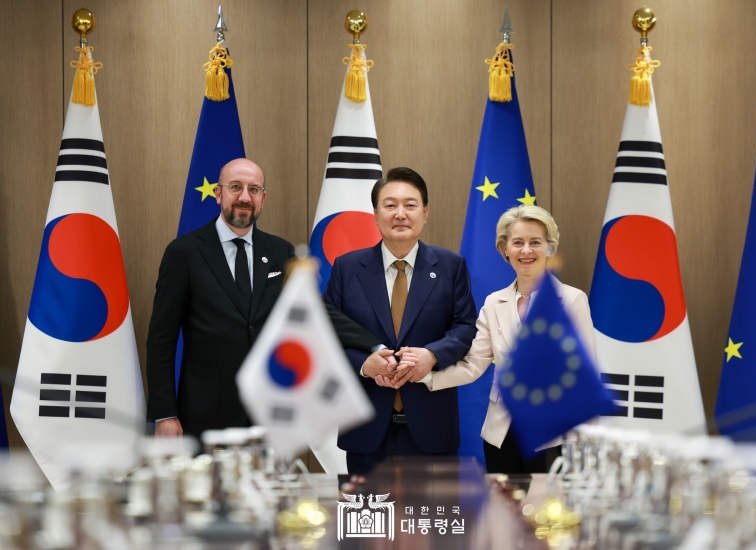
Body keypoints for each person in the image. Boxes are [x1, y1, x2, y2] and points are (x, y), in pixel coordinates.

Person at [146, 158, 395, 439]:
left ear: (262, 198)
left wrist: (374, 344)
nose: (244, 197)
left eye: (254, 189)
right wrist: (165, 414)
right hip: (205, 415)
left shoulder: (281, 251)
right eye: (235, 187)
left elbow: (317, 312)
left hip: (270, 413)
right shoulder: (184, 253)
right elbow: (161, 340)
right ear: (218, 193)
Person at [389, 205, 596, 474]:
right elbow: (473, 364)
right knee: (505, 512)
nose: (526, 251)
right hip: (502, 434)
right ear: (505, 249)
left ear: (550, 248)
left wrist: (586, 442)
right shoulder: (494, 302)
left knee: (546, 515)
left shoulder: (571, 300)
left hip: (552, 436)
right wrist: (424, 375)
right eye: (518, 242)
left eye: (536, 242)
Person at [324, 167, 477, 474]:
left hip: (432, 428)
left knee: (432, 522)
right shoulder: (347, 267)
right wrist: (364, 364)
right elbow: (326, 333)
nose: (400, 214)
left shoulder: (450, 266)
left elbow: (465, 327)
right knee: (365, 522)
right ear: (376, 214)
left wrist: (432, 356)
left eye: (410, 205)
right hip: (365, 429)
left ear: (425, 212)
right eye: (390, 205)